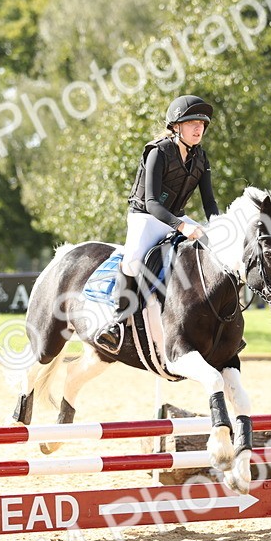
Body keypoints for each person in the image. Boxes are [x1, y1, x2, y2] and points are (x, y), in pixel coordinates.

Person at [93, 94, 221, 352]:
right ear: (176, 126)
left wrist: (218, 226)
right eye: (192, 122)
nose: (199, 128)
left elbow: (209, 201)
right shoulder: (158, 152)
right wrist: (182, 227)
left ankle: (220, 322)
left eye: (202, 124)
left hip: (176, 216)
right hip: (146, 216)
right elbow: (152, 202)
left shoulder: (201, 158)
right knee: (132, 259)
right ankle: (115, 322)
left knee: (216, 250)